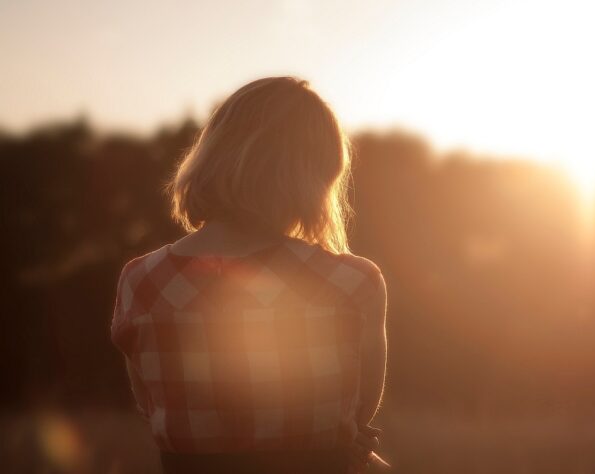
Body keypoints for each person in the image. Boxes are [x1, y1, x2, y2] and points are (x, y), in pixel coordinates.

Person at [110, 77, 388, 474]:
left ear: (213, 155)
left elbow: (155, 410)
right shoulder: (352, 282)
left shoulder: (141, 281)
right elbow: (354, 419)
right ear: (316, 177)